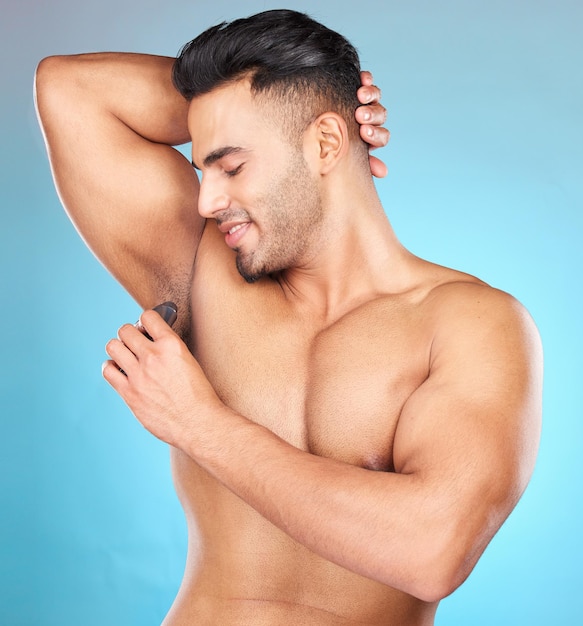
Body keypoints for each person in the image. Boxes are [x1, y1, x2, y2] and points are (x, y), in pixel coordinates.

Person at [35, 9, 542, 626]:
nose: (208, 198)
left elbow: (432, 550)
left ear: (325, 143)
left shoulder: (473, 324)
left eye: (232, 164)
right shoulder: (205, 270)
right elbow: (69, 89)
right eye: (203, 168)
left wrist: (202, 426)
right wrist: (303, 93)